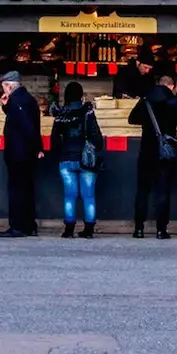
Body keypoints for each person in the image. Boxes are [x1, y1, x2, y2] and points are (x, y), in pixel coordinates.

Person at [130, 68, 177, 239]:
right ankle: (161, 230)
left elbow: (132, 119)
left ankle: (138, 228)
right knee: (163, 190)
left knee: (142, 190)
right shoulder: (172, 101)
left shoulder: (146, 100)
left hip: (146, 151)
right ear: (171, 86)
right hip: (164, 153)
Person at [49, 81, 103, 238]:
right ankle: (89, 229)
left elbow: (54, 139)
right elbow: (97, 138)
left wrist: (57, 154)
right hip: (86, 160)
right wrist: (95, 149)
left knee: (69, 195)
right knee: (88, 195)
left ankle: (69, 229)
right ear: (80, 95)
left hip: (66, 158)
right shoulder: (87, 112)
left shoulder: (61, 114)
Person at [0, 70, 42, 238]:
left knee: (17, 191)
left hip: (18, 154)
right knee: (27, 189)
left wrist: (38, 148)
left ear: (9, 85)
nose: (4, 91)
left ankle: (18, 226)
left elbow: (26, 126)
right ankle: (29, 225)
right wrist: (5, 106)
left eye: (4, 88)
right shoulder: (27, 99)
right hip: (26, 154)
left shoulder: (17, 100)